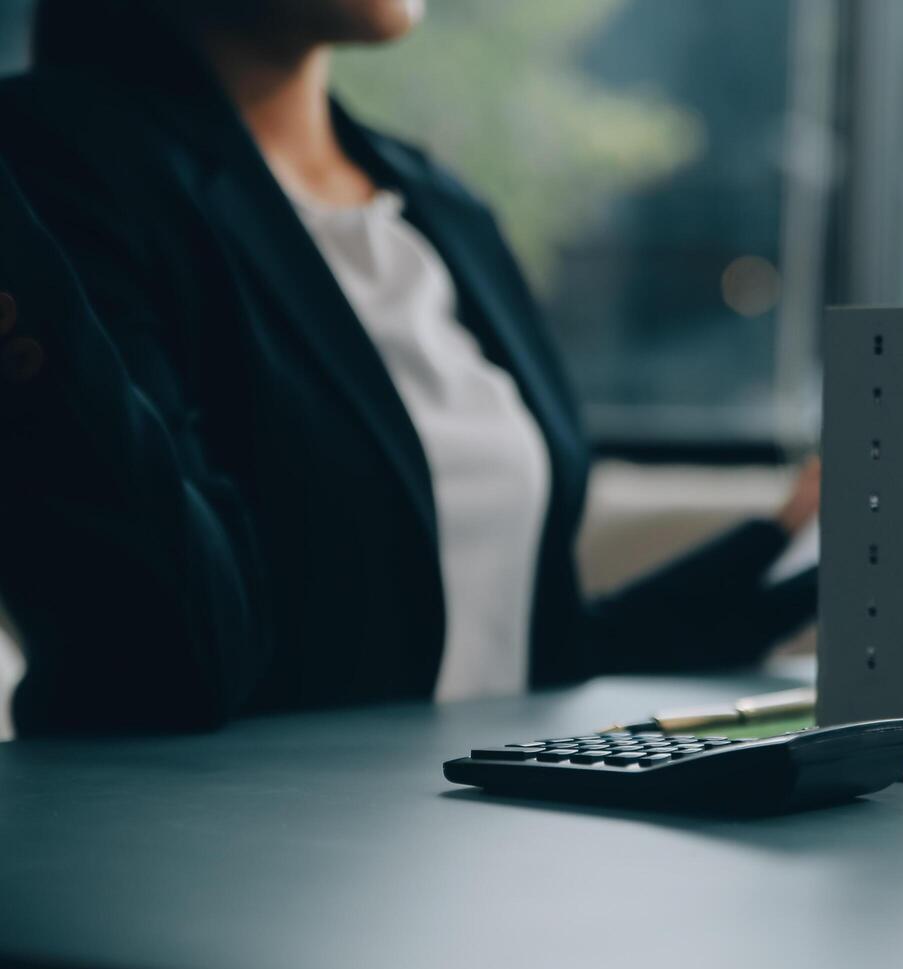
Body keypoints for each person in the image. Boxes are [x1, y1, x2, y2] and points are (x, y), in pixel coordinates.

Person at [0, 0, 818, 736]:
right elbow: (174, 654)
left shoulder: (438, 204)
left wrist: (785, 545)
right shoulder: (57, 165)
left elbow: (525, 652)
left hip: (474, 859)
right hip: (225, 863)